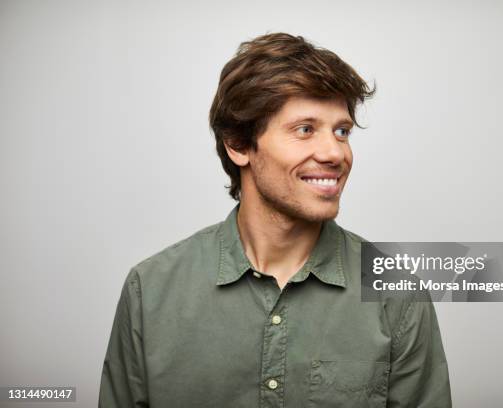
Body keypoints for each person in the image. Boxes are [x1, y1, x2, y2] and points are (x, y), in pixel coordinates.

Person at [99, 32, 451, 407]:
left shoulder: (398, 295)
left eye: (342, 131)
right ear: (238, 143)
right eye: (305, 129)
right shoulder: (150, 290)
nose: (335, 153)